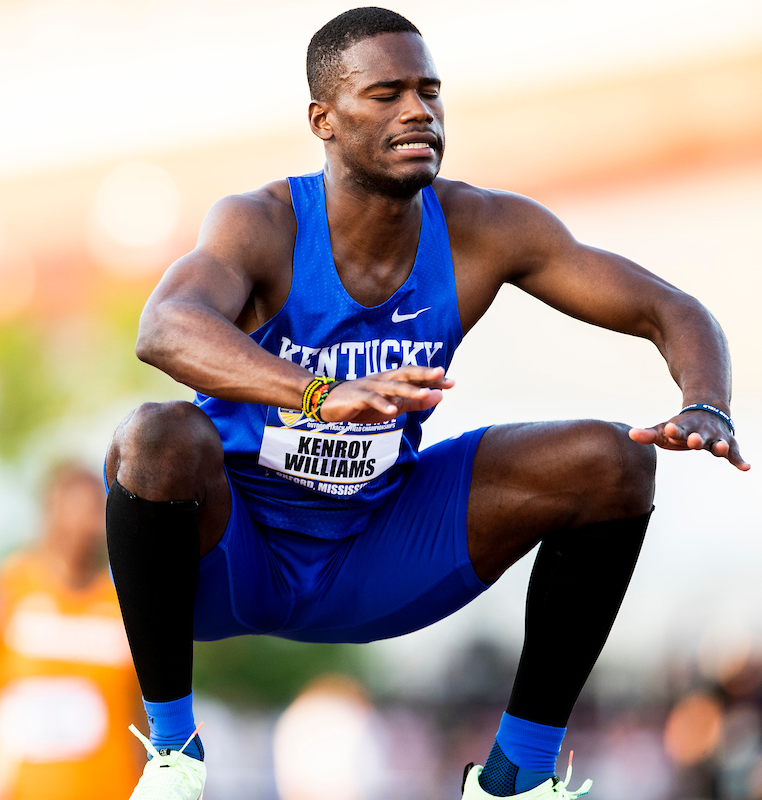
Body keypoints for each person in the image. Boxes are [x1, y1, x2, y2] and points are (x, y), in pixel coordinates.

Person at [103, 7, 750, 800]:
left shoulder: (484, 229)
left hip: (380, 546)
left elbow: (671, 308)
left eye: (430, 91)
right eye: (386, 93)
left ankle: (517, 775)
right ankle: (174, 757)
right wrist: (319, 391)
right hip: (236, 553)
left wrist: (708, 402)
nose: (419, 111)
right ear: (325, 120)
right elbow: (165, 329)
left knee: (615, 461)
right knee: (155, 437)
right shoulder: (261, 223)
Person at [0, 464, 144, 800]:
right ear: (52, 512)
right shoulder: (7, 590)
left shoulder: (123, 602)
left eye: (98, 511)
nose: (92, 525)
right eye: (82, 508)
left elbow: (143, 714)